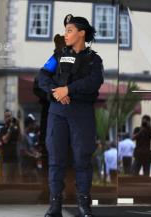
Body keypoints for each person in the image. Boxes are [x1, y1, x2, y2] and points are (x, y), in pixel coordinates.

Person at [38, 14, 103, 217]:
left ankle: (84, 206)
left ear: (81, 33)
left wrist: (69, 89)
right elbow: (42, 77)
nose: (65, 34)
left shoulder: (94, 59)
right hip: (57, 112)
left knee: (82, 159)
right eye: (65, 30)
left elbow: (94, 82)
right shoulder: (57, 56)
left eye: (69, 30)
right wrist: (56, 92)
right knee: (56, 159)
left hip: (81, 113)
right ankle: (55, 206)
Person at [0, 110, 21, 183]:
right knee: (7, 181)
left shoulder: (14, 128)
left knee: (16, 181)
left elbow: (20, 138)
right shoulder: (3, 129)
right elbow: (5, 140)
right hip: (7, 158)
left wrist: (18, 125)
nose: (8, 118)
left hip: (15, 157)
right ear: (4, 118)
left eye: (9, 116)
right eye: (6, 116)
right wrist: (10, 129)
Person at [19, 114, 41, 182]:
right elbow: (23, 152)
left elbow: (31, 148)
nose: (34, 126)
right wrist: (34, 156)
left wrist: (36, 153)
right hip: (26, 168)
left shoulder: (29, 136)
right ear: (29, 125)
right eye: (33, 124)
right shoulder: (23, 136)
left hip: (31, 166)